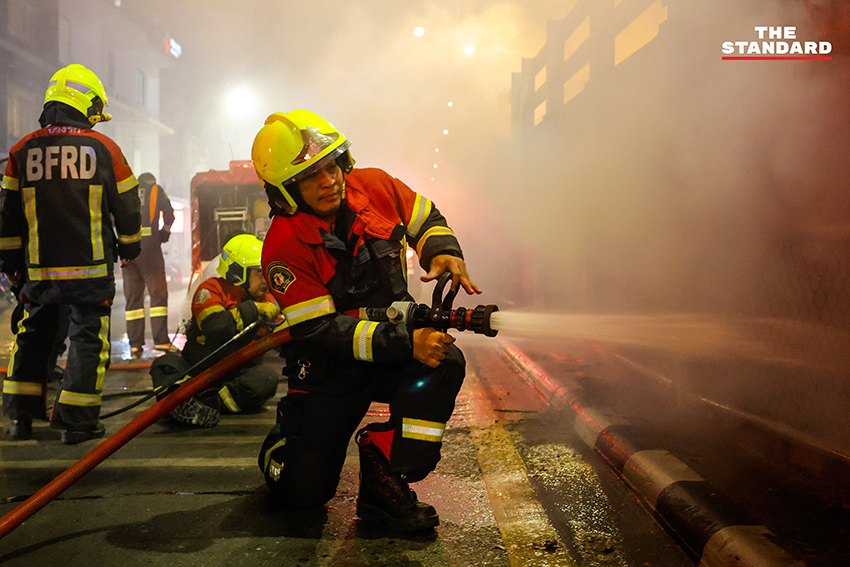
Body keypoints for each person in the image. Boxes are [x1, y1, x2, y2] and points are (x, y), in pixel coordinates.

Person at [252, 110, 482, 532]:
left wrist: (442, 252)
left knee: (444, 366)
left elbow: (426, 220)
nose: (329, 180)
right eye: (311, 175)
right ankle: (290, 437)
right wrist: (406, 344)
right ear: (285, 191)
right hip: (328, 369)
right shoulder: (284, 246)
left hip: (392, 349)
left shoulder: (375, 186)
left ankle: (383, 475)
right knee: (301, 495)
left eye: (331, 165)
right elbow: (320, 331)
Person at [0, 64, 141, 444]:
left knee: (32, 334)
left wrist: (11, 265)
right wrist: (130, 246)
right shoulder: (104, 148)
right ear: (83, 102)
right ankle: (77, 422)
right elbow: (127, 206)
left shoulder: (21, 150)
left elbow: (8, 216)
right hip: (90, 270)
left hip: (40, 271)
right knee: (87, 339)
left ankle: (20, 418)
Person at [150, 234, 283, 427]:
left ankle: (201, 406)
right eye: (259, 273)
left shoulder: (267, 301)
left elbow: (284, 338)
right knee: (165, 365)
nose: (266, 280)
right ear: (239, 273)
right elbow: (216, 326)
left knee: (265, 380)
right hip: (197, 370)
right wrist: (253, 310)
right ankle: (183, 402)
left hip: (237, 374)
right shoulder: (210, 290)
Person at [122, 172, 174, 358]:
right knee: (158, 294)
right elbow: (169, 215)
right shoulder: (155, 190)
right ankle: (161, 342)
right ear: (151, 181)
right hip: (149, 247)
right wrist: (163, 235)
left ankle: (135, 346)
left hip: (127, 248)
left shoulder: (126, 190)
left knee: (133, 299)